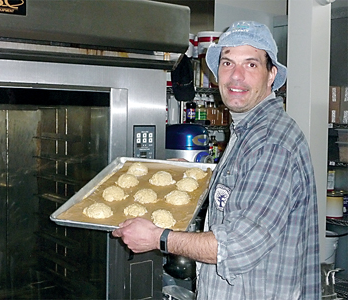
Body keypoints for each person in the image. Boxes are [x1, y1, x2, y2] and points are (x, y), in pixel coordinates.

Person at [112, 20, 320, 299]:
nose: (236, 76)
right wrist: (196, 174)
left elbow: (237, 247)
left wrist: (158, 238)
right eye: (227, 63)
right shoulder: (247, 130)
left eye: (251, 64)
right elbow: (245, 189)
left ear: (271, 74)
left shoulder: (272, 141)